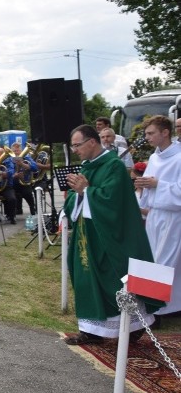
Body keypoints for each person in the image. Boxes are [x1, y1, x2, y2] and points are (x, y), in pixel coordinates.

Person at [62, 124, 158, 345]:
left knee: (114, 279)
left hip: (110, 237)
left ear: (92, 142)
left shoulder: (113, 166)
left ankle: (133, 327)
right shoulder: (87, 167)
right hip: (87, 237)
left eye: (77, 145)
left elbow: (113, 202)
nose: (75, 150)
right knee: (86, 278)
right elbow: (75, 199)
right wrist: (78, 194)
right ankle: (91, 330)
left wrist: (86, 191)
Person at [136, 115, 181, 317]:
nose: (147, 137)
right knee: (152, 258)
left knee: (165, 261)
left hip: (174, 217)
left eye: (151, 133)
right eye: (146, 134)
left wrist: (157, 185)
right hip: (155, 216)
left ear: (165, 132)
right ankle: (157, 304)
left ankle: (160, 309)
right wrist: (143, 187)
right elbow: (150, 185)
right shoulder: (154, 157)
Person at [10, 142, 38, 216]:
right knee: (12, 194)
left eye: (18, 150)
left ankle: (32, 208)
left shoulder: (27, 157)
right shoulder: (10, 159)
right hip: (14, 182)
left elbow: (35, 168)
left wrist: (22, 164)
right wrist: (14, 175)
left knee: (27, 193)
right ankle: (16, 210)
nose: (16, 152)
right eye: (14, 151)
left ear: (21, 151)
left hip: (25, 182)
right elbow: (8, 171)